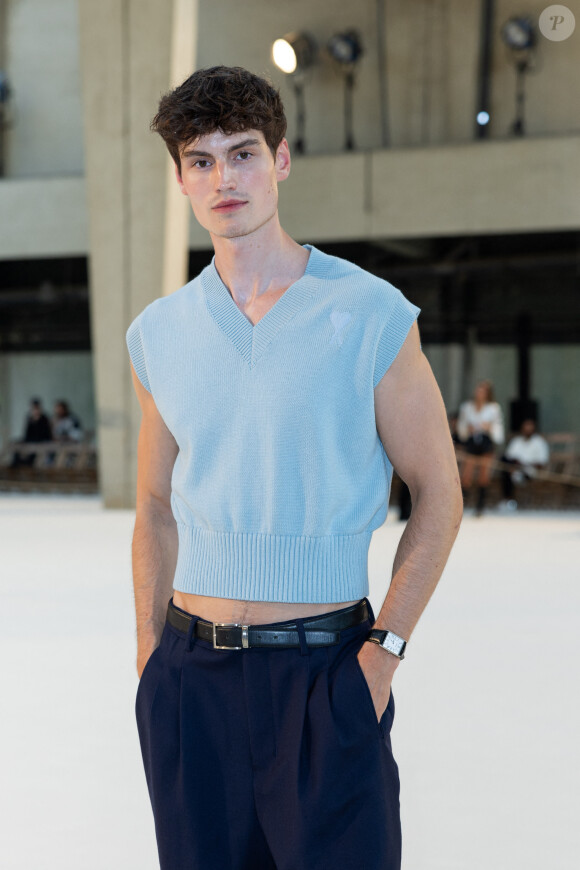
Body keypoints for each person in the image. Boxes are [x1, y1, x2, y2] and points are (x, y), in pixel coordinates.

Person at [126, 66, 462, 870]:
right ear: (180, 179)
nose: (223, 178)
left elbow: (439, 494)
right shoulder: (159, 333)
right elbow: (153, 506)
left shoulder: (369, 313)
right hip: (189, 681)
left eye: (241, 153)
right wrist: (149, 661)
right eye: (200, 161)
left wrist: (385, 653)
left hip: (327, 675)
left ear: (281, 159)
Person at [457, 380, 504, 516]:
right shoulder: (467, 407)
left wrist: (488, 427)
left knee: (484, 475)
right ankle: (462, 505)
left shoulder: (493, 408)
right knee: (466, 474)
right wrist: (467, 429)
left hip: (486, 442)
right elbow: (462, 426)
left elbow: (497, 427)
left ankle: (480, 506)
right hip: (472, 442)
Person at [499, 418, 549, 508]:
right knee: (506, 469)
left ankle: (511, 501)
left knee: (513, 474)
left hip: (530, 471)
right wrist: (516, 465)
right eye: (525, 428)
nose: (527, 430)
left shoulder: (539, 442)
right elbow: (508, 457)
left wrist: (524, 464)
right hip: (514, 470)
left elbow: (542, 462)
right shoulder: (516, 441)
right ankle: (508, 501)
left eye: (530, 428)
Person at [9, 397, 52, 467]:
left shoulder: (44, 418)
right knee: (16, 444)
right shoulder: (29, 418)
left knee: (34, 449)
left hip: (41, 440)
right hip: (30, 439)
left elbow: (46, 433)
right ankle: (16, 462)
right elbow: (27, 432)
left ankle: (29, 463)